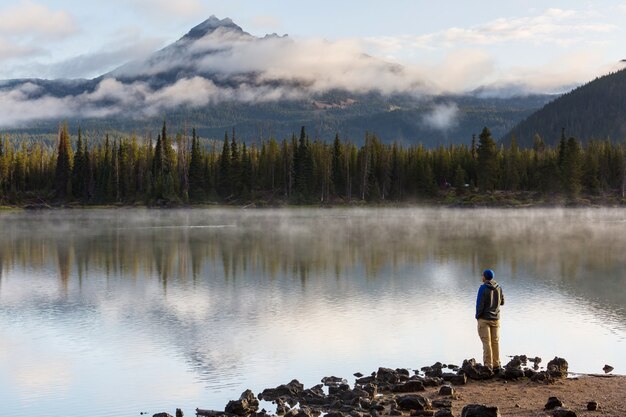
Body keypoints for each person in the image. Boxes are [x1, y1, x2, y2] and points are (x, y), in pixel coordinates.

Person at [475, 269, 505, 370]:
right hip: (496, 319)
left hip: (484, 319)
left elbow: (480, 305)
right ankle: (496, 364)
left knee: (486, 342)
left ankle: (488, 366)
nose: (481, 277)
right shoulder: (499, 287)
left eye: (482, 275)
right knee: (495, 342)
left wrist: (478, 316)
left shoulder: (482, 288)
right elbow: (502, 302)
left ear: (485, 277)